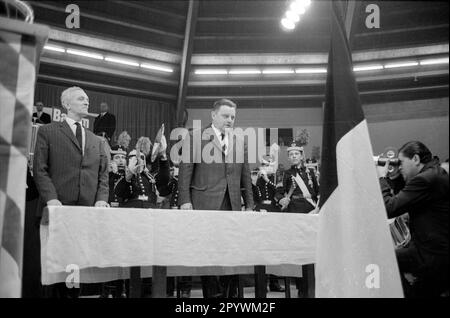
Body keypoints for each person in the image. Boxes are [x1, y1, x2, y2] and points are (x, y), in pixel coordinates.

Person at [33, 86, 109, 298]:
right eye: (81, 99)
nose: (87, 102)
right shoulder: (47, 131)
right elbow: (39, 169)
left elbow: (103, 175)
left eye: (87, 99)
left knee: (76, 272)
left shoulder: (96, 140)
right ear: (66, 104)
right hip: (56, 213)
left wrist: (102, 199)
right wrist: (52, 199)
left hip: (84, 215)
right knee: (53, 273)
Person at [178, 98, 254, 298]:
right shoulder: (195, 137)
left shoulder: (240, 141)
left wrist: (250, 205)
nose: (230, 120)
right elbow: (185, 171)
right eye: (225, 116)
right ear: (213, 115)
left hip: (232, 206)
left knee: (231, 253)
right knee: (208, 253)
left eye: (232, 117)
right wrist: (184, 200)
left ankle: (229, 297)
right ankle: (212, 296)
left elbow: (245, 175)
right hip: (205, 204)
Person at [377, 141, 449, 298]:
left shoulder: (425, 179)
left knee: (383, 260)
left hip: (432, 256)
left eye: (401, 162)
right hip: (437, 251)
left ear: (415, 159)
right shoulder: (435, 173)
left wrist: (382, 177)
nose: (400, 167)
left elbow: (388, 208)